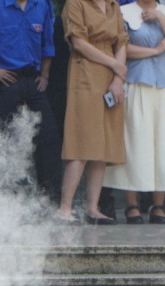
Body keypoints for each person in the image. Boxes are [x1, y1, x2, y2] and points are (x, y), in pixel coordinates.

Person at [103, 0, 165, 224]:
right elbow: (122, 48)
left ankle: (159, 205)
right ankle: (132, 205)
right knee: (135, 144)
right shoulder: (123, 12)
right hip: (137, 84)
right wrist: (155, 50)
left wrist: (159, 17)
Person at [0, 0, 63, 210]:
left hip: (33, 80)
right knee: (7, 140)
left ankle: (50, 203)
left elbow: (47, 42)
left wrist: (45, 74)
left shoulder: (41, 5)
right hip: (5, 81)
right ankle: (8, 204)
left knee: (49, 139)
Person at [55, 0, 128, 224]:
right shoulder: (76, 4)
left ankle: (92, 208)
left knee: (103, 142)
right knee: (82, 139)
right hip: (85, 71)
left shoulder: (113, 6)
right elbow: (78, 42)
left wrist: (118, 78)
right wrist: (113, 64)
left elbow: (122, 42)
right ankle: (65, 208)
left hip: (111, 74)